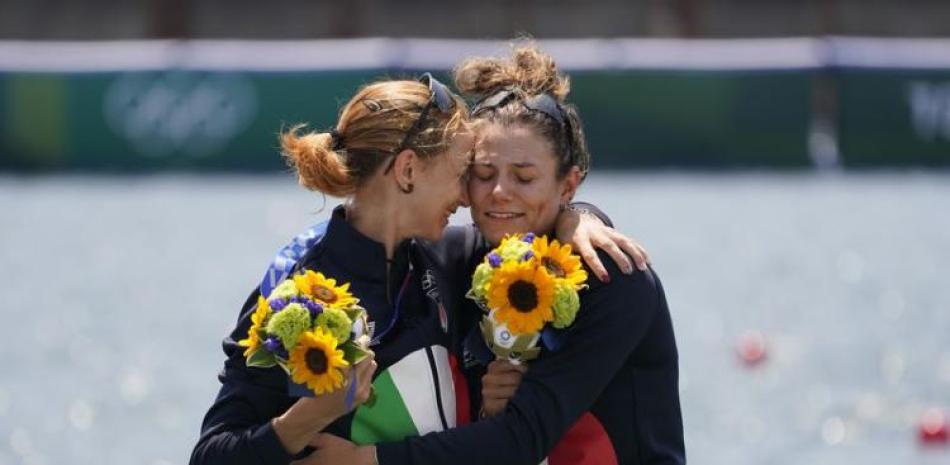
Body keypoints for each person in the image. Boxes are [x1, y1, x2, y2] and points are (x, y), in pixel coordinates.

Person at [190, 72, 648, 465]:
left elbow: (537, 231)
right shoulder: (296, 292)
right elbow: (211, 455)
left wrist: (578, 217)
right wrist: (309, 416)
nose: (470, 198)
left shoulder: (451, 260)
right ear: (408, 171)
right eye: (462, 173)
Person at [307, 45, 685, 465]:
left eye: (524, 178)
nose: (500, 192)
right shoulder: (456, 259)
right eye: (483, 174)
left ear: (569, 185)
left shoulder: (614, 278)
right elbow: (374, 237)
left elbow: (523, 437)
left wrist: (367, 460)